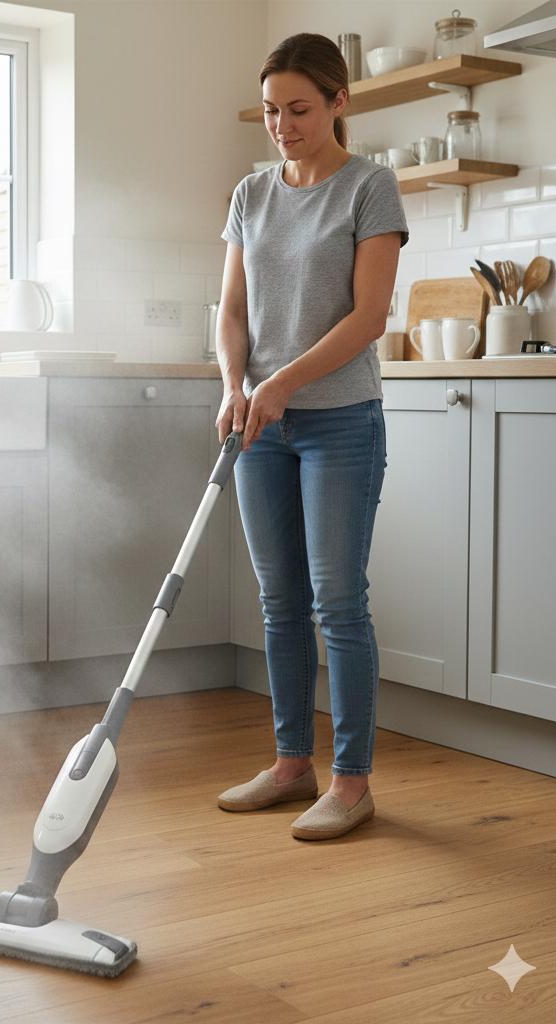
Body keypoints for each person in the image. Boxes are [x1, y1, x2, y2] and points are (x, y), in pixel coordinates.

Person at [214, 33, 407, 840]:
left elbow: (368, 317)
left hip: (338, 424)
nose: (282, 125)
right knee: (280, 600)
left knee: (337, 601)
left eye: (298, 109)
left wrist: (282, 382)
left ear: (338, 102)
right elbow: (230, 311)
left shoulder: (371, 188)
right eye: (270, 111)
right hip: (262, 425)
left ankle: (352, 780)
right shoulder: (251, 194)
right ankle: (293, 765)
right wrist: (234, 384)